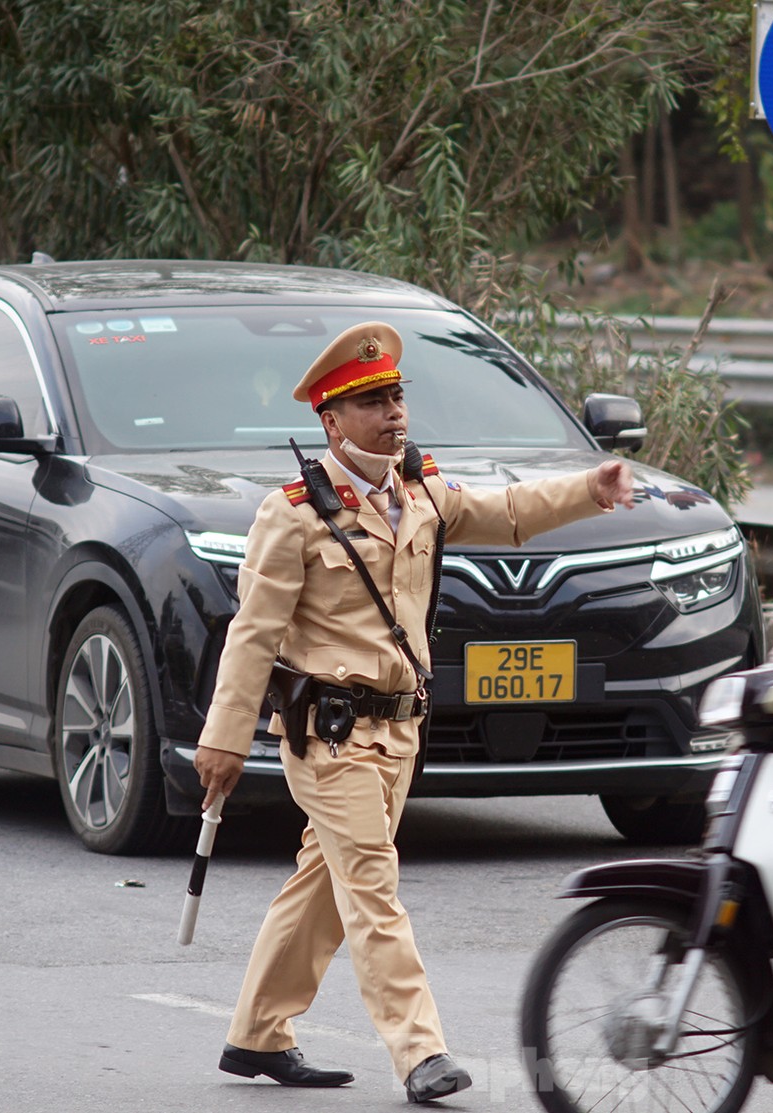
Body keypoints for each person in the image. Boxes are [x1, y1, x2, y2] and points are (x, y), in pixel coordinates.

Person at [192, 321, 636, 1104]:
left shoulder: (423, 492)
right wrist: (223, 740)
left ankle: (258, 1032)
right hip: (327, 736)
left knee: (325, 881)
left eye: (396, 396)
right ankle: (420, 1050)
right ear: (331, 422)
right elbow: (252, 635)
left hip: (398, 732)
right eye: (371, 402)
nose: (393, 413)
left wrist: (588, 491)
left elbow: (507, 510)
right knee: (372, 884)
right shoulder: (292, 513)